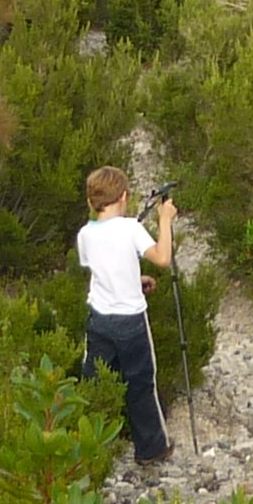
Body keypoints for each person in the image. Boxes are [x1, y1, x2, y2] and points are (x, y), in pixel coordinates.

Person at [74, 165, 176, 464]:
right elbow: (162, 258)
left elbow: (104, 270)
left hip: (99, 320)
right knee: (141, 383)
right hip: (131, 321)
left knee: (95, 381)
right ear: (123, 196)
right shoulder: (131, 228)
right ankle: (151, 448)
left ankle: (89, 448)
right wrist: (165, 221)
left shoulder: (85, 235)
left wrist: (135, 280)